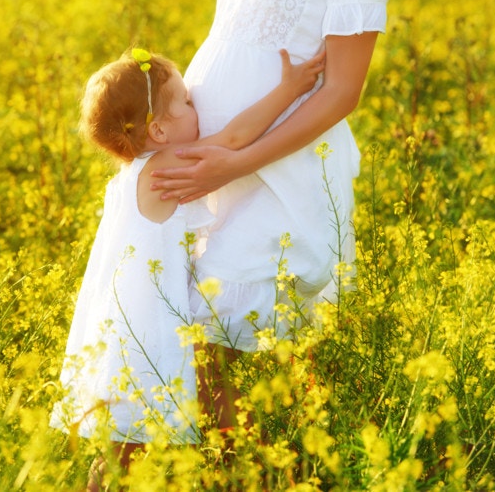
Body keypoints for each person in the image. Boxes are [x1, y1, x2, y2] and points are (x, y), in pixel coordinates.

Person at [151, 0, 397, 433]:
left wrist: (234, 162)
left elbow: (341, 90)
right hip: (217, 170)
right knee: (182, 347)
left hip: (274, 177)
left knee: (211, 340)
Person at [50, 45, 325, 488]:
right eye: (187, 102)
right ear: (158, 130)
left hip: (120, 327)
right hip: (150, 330)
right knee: (139, 446)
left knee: (126, 450)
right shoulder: (164, 168)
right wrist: (290, 89)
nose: (197, 105)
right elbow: (235, 139)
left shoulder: (129, 177)